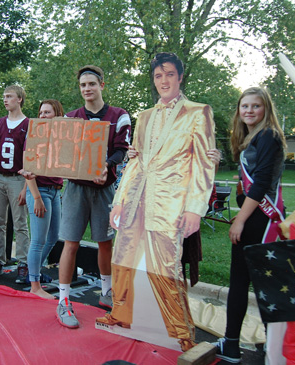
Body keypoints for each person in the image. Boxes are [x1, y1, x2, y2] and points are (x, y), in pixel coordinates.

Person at [95, 53, 216, 352]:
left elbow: (203, 165)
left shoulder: (198, 112)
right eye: (158, 76)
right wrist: (120, 202)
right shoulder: (145, 116)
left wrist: (194, 209)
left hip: (170, 203)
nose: (164, 81)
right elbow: (135, 161)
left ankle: (180, 332)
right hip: (136, 197)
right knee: (122, 257)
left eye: (170, 75)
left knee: (166, 266)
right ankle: (121, 316)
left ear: (180, 78)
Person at [214, 87, 286, 363]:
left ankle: (259, 347)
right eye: (245, 106)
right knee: (252, 282)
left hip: (261, 220)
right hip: (256, 216)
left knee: (255, 283)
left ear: (266, 109)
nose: (249, 111)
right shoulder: (254, 138)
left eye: (256, 106)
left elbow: (263, 182)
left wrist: (241, 220)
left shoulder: (268, 135)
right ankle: (262, 345)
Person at [56, 65, 131, 329]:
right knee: (71, 243)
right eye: (82, 85)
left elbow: (122, 149)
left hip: (104, 187)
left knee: (105, 243)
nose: (87, 89)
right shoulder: (71, 117)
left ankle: (106, 291)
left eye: (91, 84)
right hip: (76, 188)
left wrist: (107, 165)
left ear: (101, 84)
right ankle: (63, 300)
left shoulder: (119, 116)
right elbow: (62, 152)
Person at [0, 85, 30, 283]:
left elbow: (30, 157)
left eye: (9, 96)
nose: (5, 99)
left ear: (19, 99)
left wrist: (27, 185)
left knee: (20, 223)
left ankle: (23, 263)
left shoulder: (29, 124)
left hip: (18, 178)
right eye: (4, 96)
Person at [24, 100, 65, 299]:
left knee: (53, 237)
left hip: (56, 190)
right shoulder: (34, 136)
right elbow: (28, 170)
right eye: (41, 112)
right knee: (38, 240)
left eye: (47, 112)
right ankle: (34, 285)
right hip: (40, 190)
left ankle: (33, 273)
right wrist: (36, 197)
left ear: (57, 114)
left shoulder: (62, 137)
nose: (42, 116)